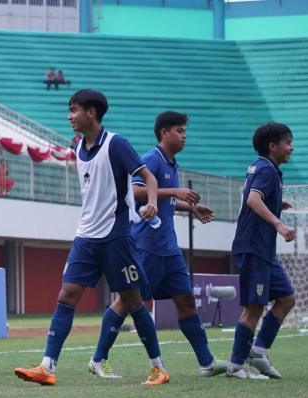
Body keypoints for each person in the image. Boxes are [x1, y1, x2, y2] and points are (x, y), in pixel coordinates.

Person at [14, 89, 166, 386]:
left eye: (74, 110)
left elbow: (149, 178)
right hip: (85, 236)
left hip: (116, 237)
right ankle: (47, 366)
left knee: (133, 301)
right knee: (66, 296)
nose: (69, 116)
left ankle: (158, 367)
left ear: (91, 112)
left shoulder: (116, 144)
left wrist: (152, 203)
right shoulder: (78, 147)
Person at [87, 111, 227, 379]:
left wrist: (189, 208)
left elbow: (165, 202)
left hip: (169, 249)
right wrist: (175, 192)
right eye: (179, 130)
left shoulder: (172, 164)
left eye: (185, 131)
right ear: (164, 132)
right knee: (127, 302)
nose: (184, 135)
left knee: (185, 301)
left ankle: (207, 362)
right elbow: (137, 192)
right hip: (146, 246)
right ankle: (98, 358)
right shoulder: (152, 159)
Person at [227, 122, 296, 380]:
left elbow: (257, 196)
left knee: (286, 298)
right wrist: (278, 223)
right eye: (287, 142)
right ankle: (236, 365)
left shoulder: (263, 167)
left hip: (263, 251)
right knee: (254, 307)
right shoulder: (266, 170)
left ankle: (258, 351)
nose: (292, 148)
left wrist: (277, 203)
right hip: (254, 248)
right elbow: (253, 199)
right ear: (272, 146)